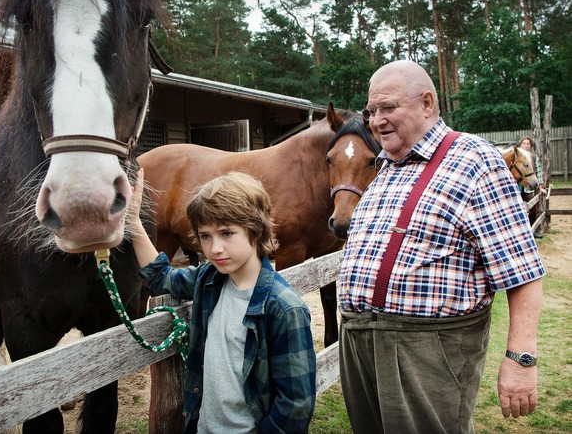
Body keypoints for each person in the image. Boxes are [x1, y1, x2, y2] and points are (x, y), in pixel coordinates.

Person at [338, 60, 544, 433]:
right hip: (360, 343)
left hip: (427, 352)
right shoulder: (386, 167)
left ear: (428, 103)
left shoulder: (474, 161)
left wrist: (520, 359)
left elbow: (522, 271)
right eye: (371, 111)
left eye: (388, 108)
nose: (376, 120)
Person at [128, 169, 317, 433]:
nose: (214, 248)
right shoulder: (209, 278)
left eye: (226, 233)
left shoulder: (284, 309)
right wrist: (135, 225)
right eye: (206, 236)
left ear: (256, 230)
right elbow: (161, 277)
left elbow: (296, 405)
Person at [518, 136, 547, 238]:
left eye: (528, 144)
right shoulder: (516, 156)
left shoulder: (534, 158)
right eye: (524, 143)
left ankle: (531, 230)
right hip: (516, 187)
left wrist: (540, 187)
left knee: (532, 207)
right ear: (520, 144)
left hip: (527, 188)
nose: (525, 145)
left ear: (531, 146)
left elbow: (538, 173)